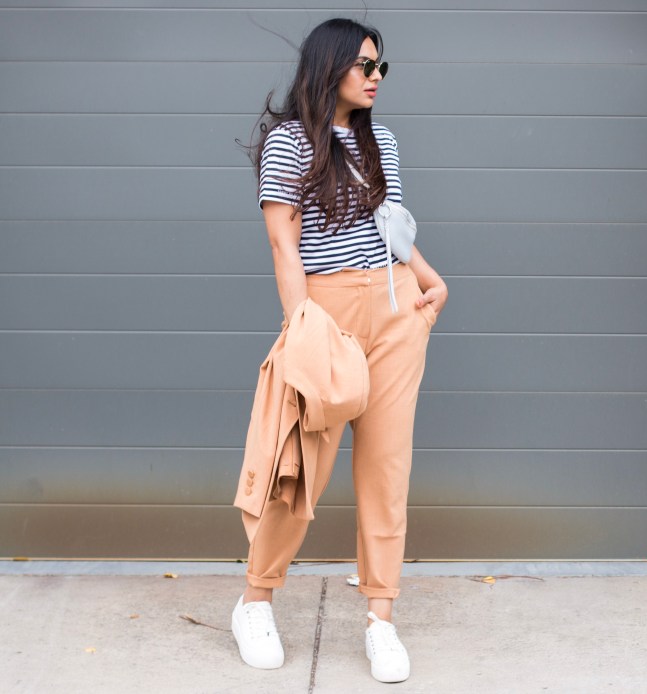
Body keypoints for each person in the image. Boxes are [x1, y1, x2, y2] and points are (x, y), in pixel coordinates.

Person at [230, 18, 447, 683]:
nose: (376, 77)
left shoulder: (384, 141)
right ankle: (255, 601)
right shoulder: (290, 142)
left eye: (381, 67)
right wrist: (302, 325)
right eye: (364, 65)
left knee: (387, 470)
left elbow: (390, 229)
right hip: (326, 313)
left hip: (396, 308)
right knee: (301, 467)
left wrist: (430, 280)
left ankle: (381, 618)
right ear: (329, 67)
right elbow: (283, 245)